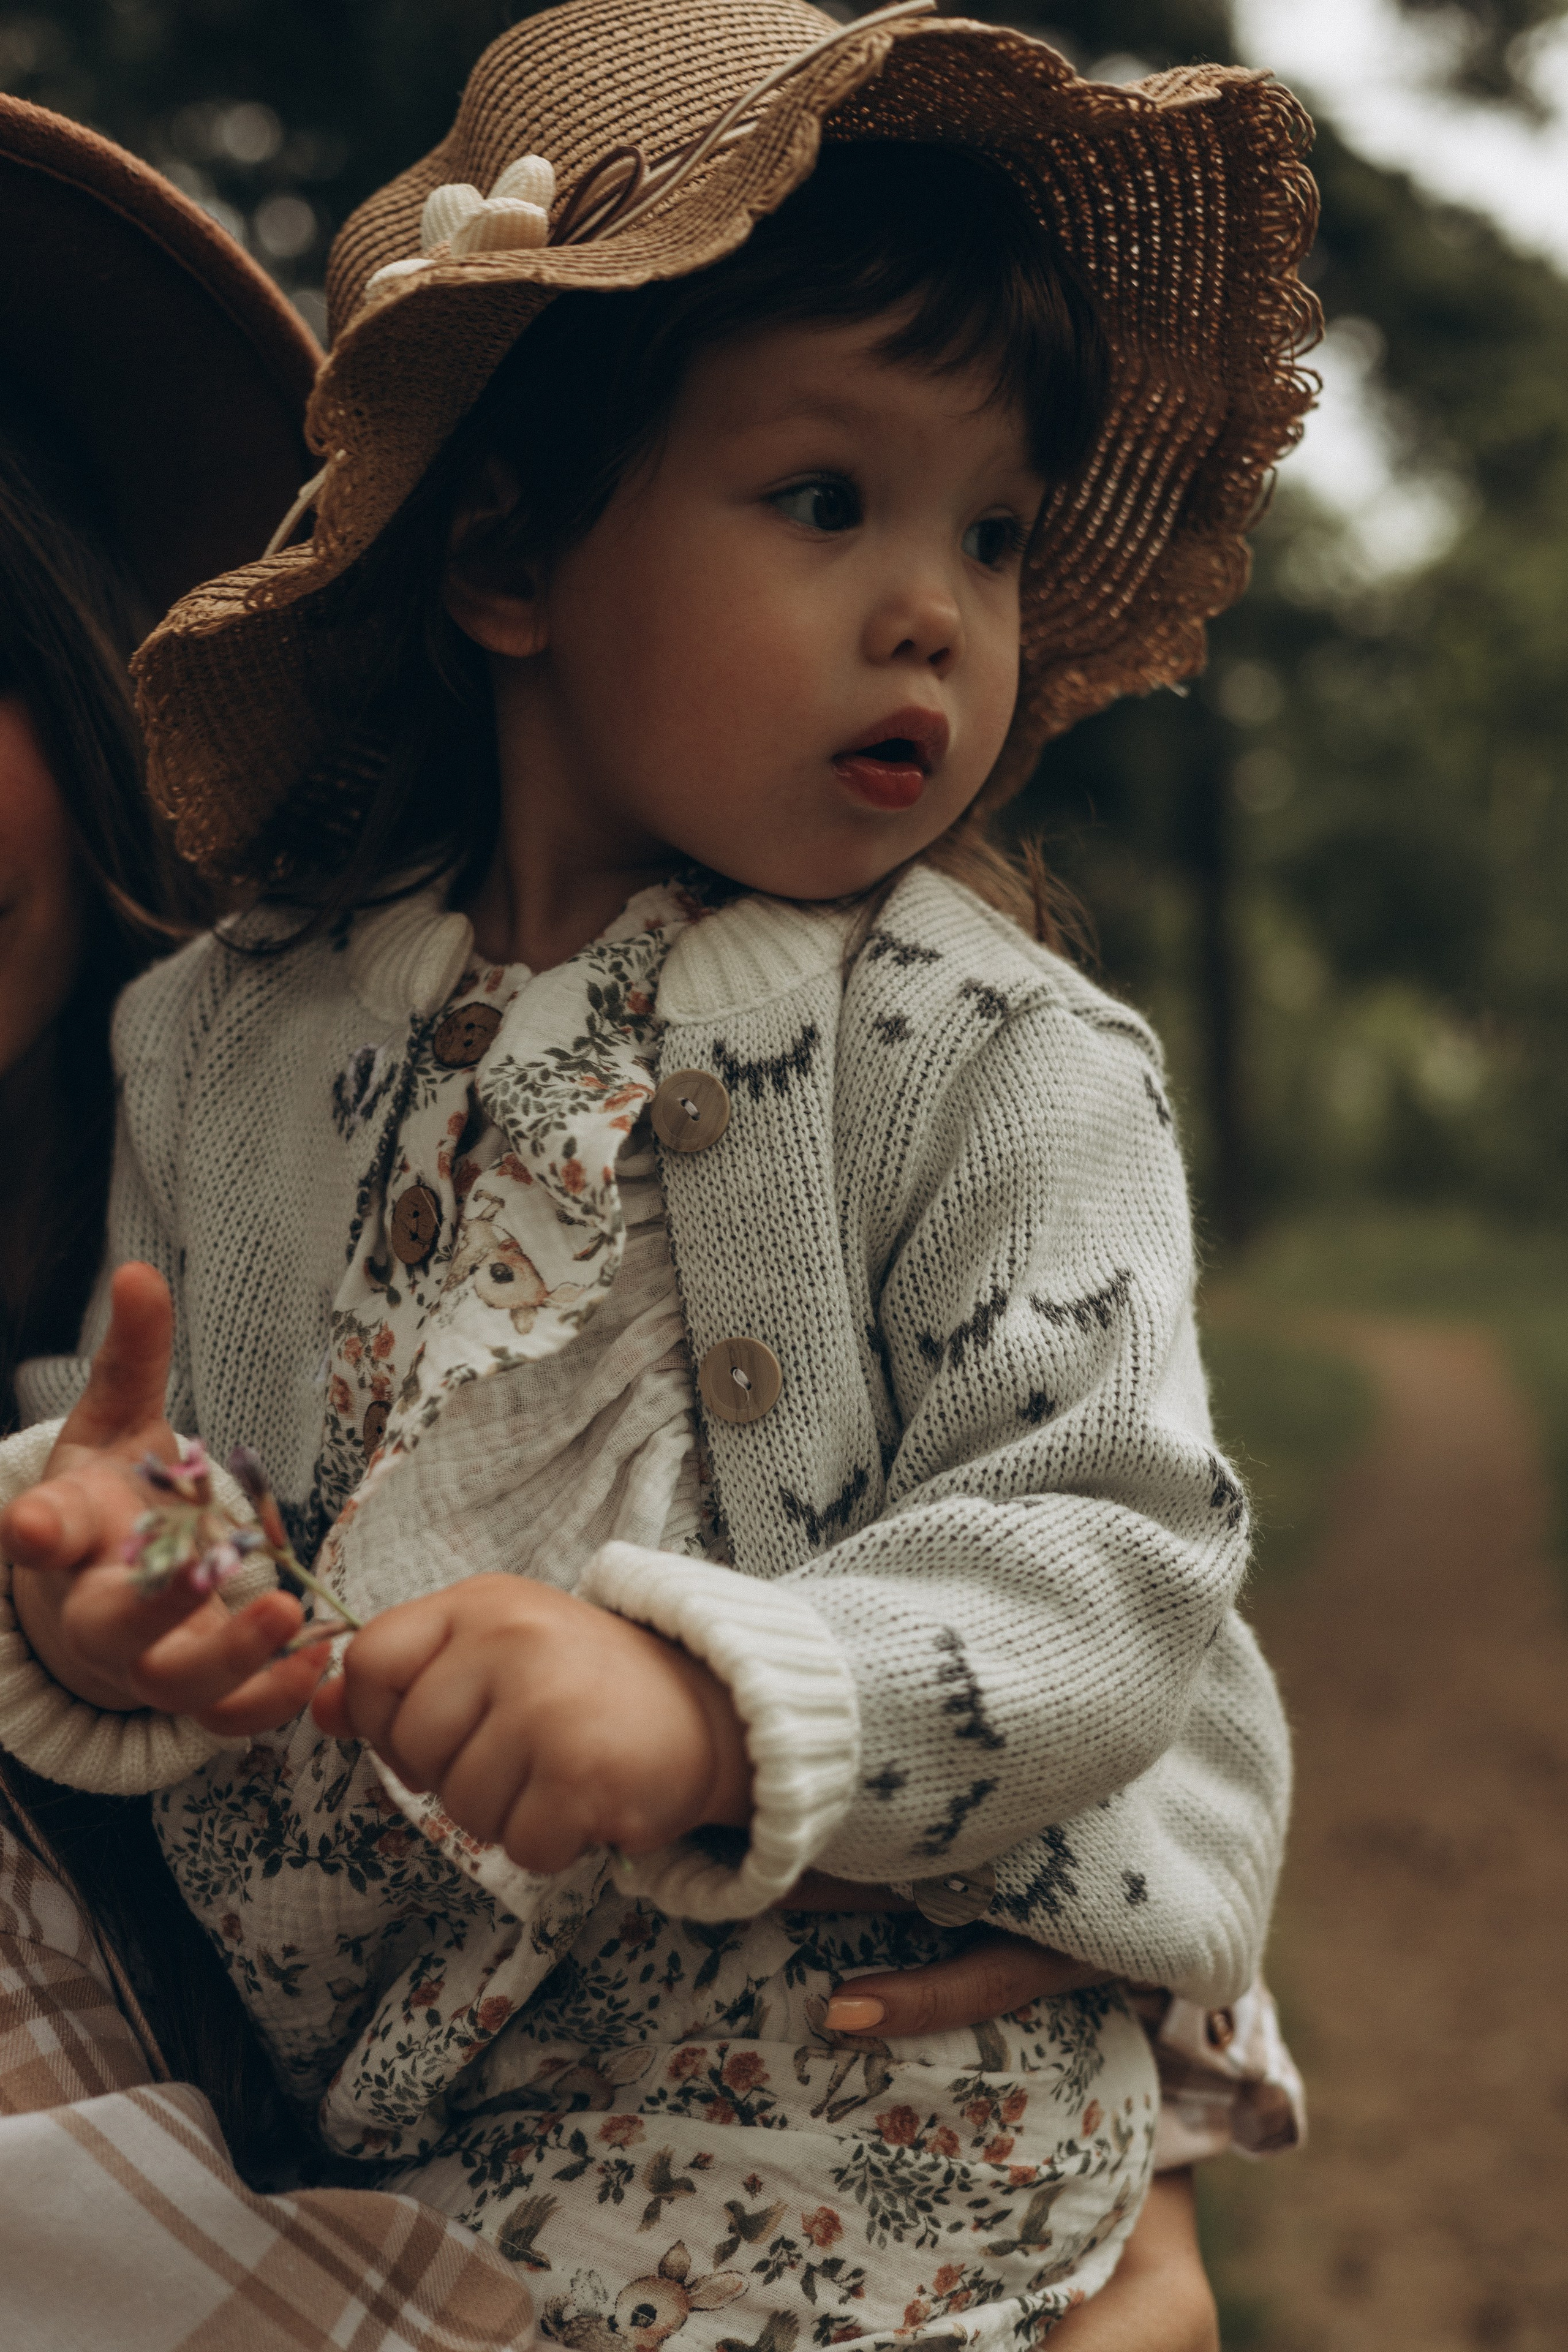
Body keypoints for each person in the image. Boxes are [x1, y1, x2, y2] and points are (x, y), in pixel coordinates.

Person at [0, 0, 1315, 2337]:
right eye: (827, 500)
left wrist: (726, 1701)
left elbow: (1116, 1544)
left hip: (839, 2101)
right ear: (504, 557)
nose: (938, 609)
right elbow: (198, 1495)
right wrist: (125, 1583)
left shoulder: (999, 1058)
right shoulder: (217, 1042)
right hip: (414, 2121)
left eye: (992, 533)